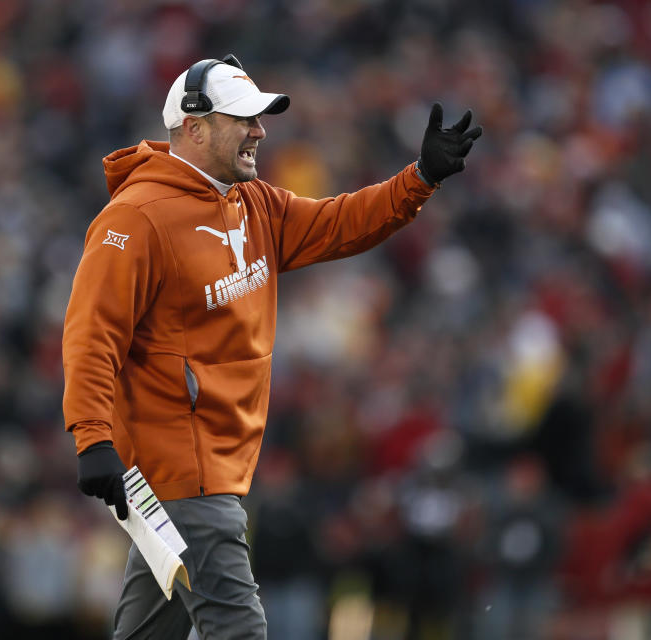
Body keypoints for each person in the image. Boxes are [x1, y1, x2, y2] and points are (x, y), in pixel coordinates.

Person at [62, 54, 481, 639]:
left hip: (211, 469)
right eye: (244, 118)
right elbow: (91, 334)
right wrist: (91, 436)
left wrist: (420, 179)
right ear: (195, 127)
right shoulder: (135, 219)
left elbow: (341, 223)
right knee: (239, 630)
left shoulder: (253, 202)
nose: (260, 130)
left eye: (260, 118)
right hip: (186, 472)